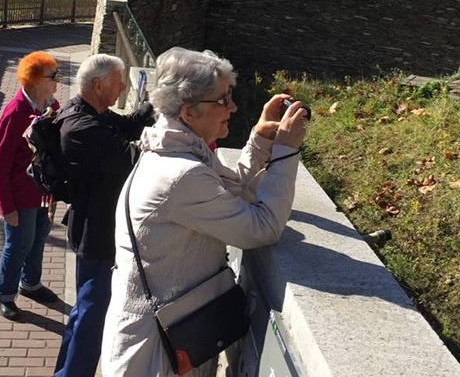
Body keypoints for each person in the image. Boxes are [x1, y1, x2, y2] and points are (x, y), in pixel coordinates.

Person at [100, 47, 308, 377]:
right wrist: (285, 152)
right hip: (156, 356)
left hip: (165, 339)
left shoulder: (175, 149)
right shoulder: (181, 173)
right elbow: (262, 228)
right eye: (223, 99)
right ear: (189, 112)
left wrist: (260, 139)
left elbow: (231, 189)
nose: (233, 107)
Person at [53, 54, 154, 377]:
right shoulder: (81, 128)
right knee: (92, 316)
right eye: (118, 82)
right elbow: (133, 157)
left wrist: (156, 103)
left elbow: (126, 125)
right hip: (96, 236)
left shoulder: (91, 113)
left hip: (94, 229)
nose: (123, 87)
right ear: (98, 85)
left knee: (84, 312)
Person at [0, 51, 61, 321]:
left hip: (43, 192)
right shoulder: (15, 113)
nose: (57, 80)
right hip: (20, 195)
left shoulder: (50, 107)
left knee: (40, 236)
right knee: (19, 243)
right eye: (52, 76)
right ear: (34, 79)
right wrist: (5, 206)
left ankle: (30, 283)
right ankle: (4, 294)